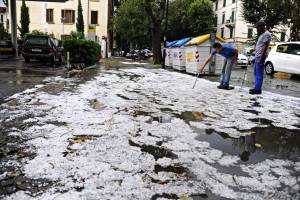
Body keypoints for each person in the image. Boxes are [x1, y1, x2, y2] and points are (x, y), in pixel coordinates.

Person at [249, 20, 272, 95]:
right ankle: (256, 87)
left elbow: (265, 47)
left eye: (258, 27)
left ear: (262, 27)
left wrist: (261, 58)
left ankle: (258, 89)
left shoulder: (267, 34)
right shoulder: (262, 34)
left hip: (260, 56)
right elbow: (260, 45)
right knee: (256, 73)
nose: (257, 29)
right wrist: (254, 50)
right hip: (257, 55)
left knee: (259, 73)